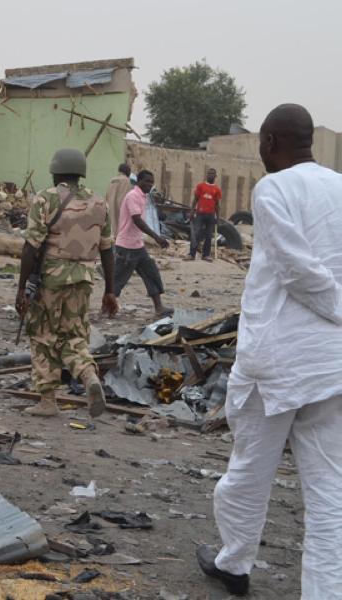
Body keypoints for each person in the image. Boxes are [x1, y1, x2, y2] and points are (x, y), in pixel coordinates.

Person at [195, 104, 342, 597]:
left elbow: (295, 269)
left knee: (247, 473)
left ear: (271, 142)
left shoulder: (272, 188)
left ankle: (234, 563)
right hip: (330, 365)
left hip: (276, 361)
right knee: (329, 496)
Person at [16, 148, 117, 418]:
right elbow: (108, 249)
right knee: (74, 335)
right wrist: (110, 290)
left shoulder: (45, 199)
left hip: (51, 280)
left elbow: (31, 247)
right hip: (84, 280)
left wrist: (21, 288)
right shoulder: (98, 203)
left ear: (56, 172)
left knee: (42, 336)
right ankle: (88, 376)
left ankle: (48, 400)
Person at [114, 170, 172, 317]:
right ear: (139, 181)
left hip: (137, 245)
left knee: (151, 273)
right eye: (147, 181)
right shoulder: (132, 196)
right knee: (118, 279)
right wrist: (156, 237)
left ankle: (159, 307)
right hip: (126, 246)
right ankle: (106, 308)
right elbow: (137, 220)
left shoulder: (143, 196)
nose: (149, 185)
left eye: (151, 182)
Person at [190, 167, 222, 261]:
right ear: (206, 175)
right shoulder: (200, 186)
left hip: (211, 215)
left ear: (215, 176)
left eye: (212, 173)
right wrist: (192, 211)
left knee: (208, 236)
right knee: (196, 233)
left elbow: (217, 205)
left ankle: (206, 255)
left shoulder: (217, 189)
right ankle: (191, 254)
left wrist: (218, 217)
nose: (210, 175)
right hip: (200, 214)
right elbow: (195, 199)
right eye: (209, 173)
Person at [105, 163, 133, 235]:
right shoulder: (126, 181)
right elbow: (126, 199)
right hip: (120, 211)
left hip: (109, 209)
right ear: (127, 171)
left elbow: (107, 196)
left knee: (111, 230)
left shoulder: (112, 180)